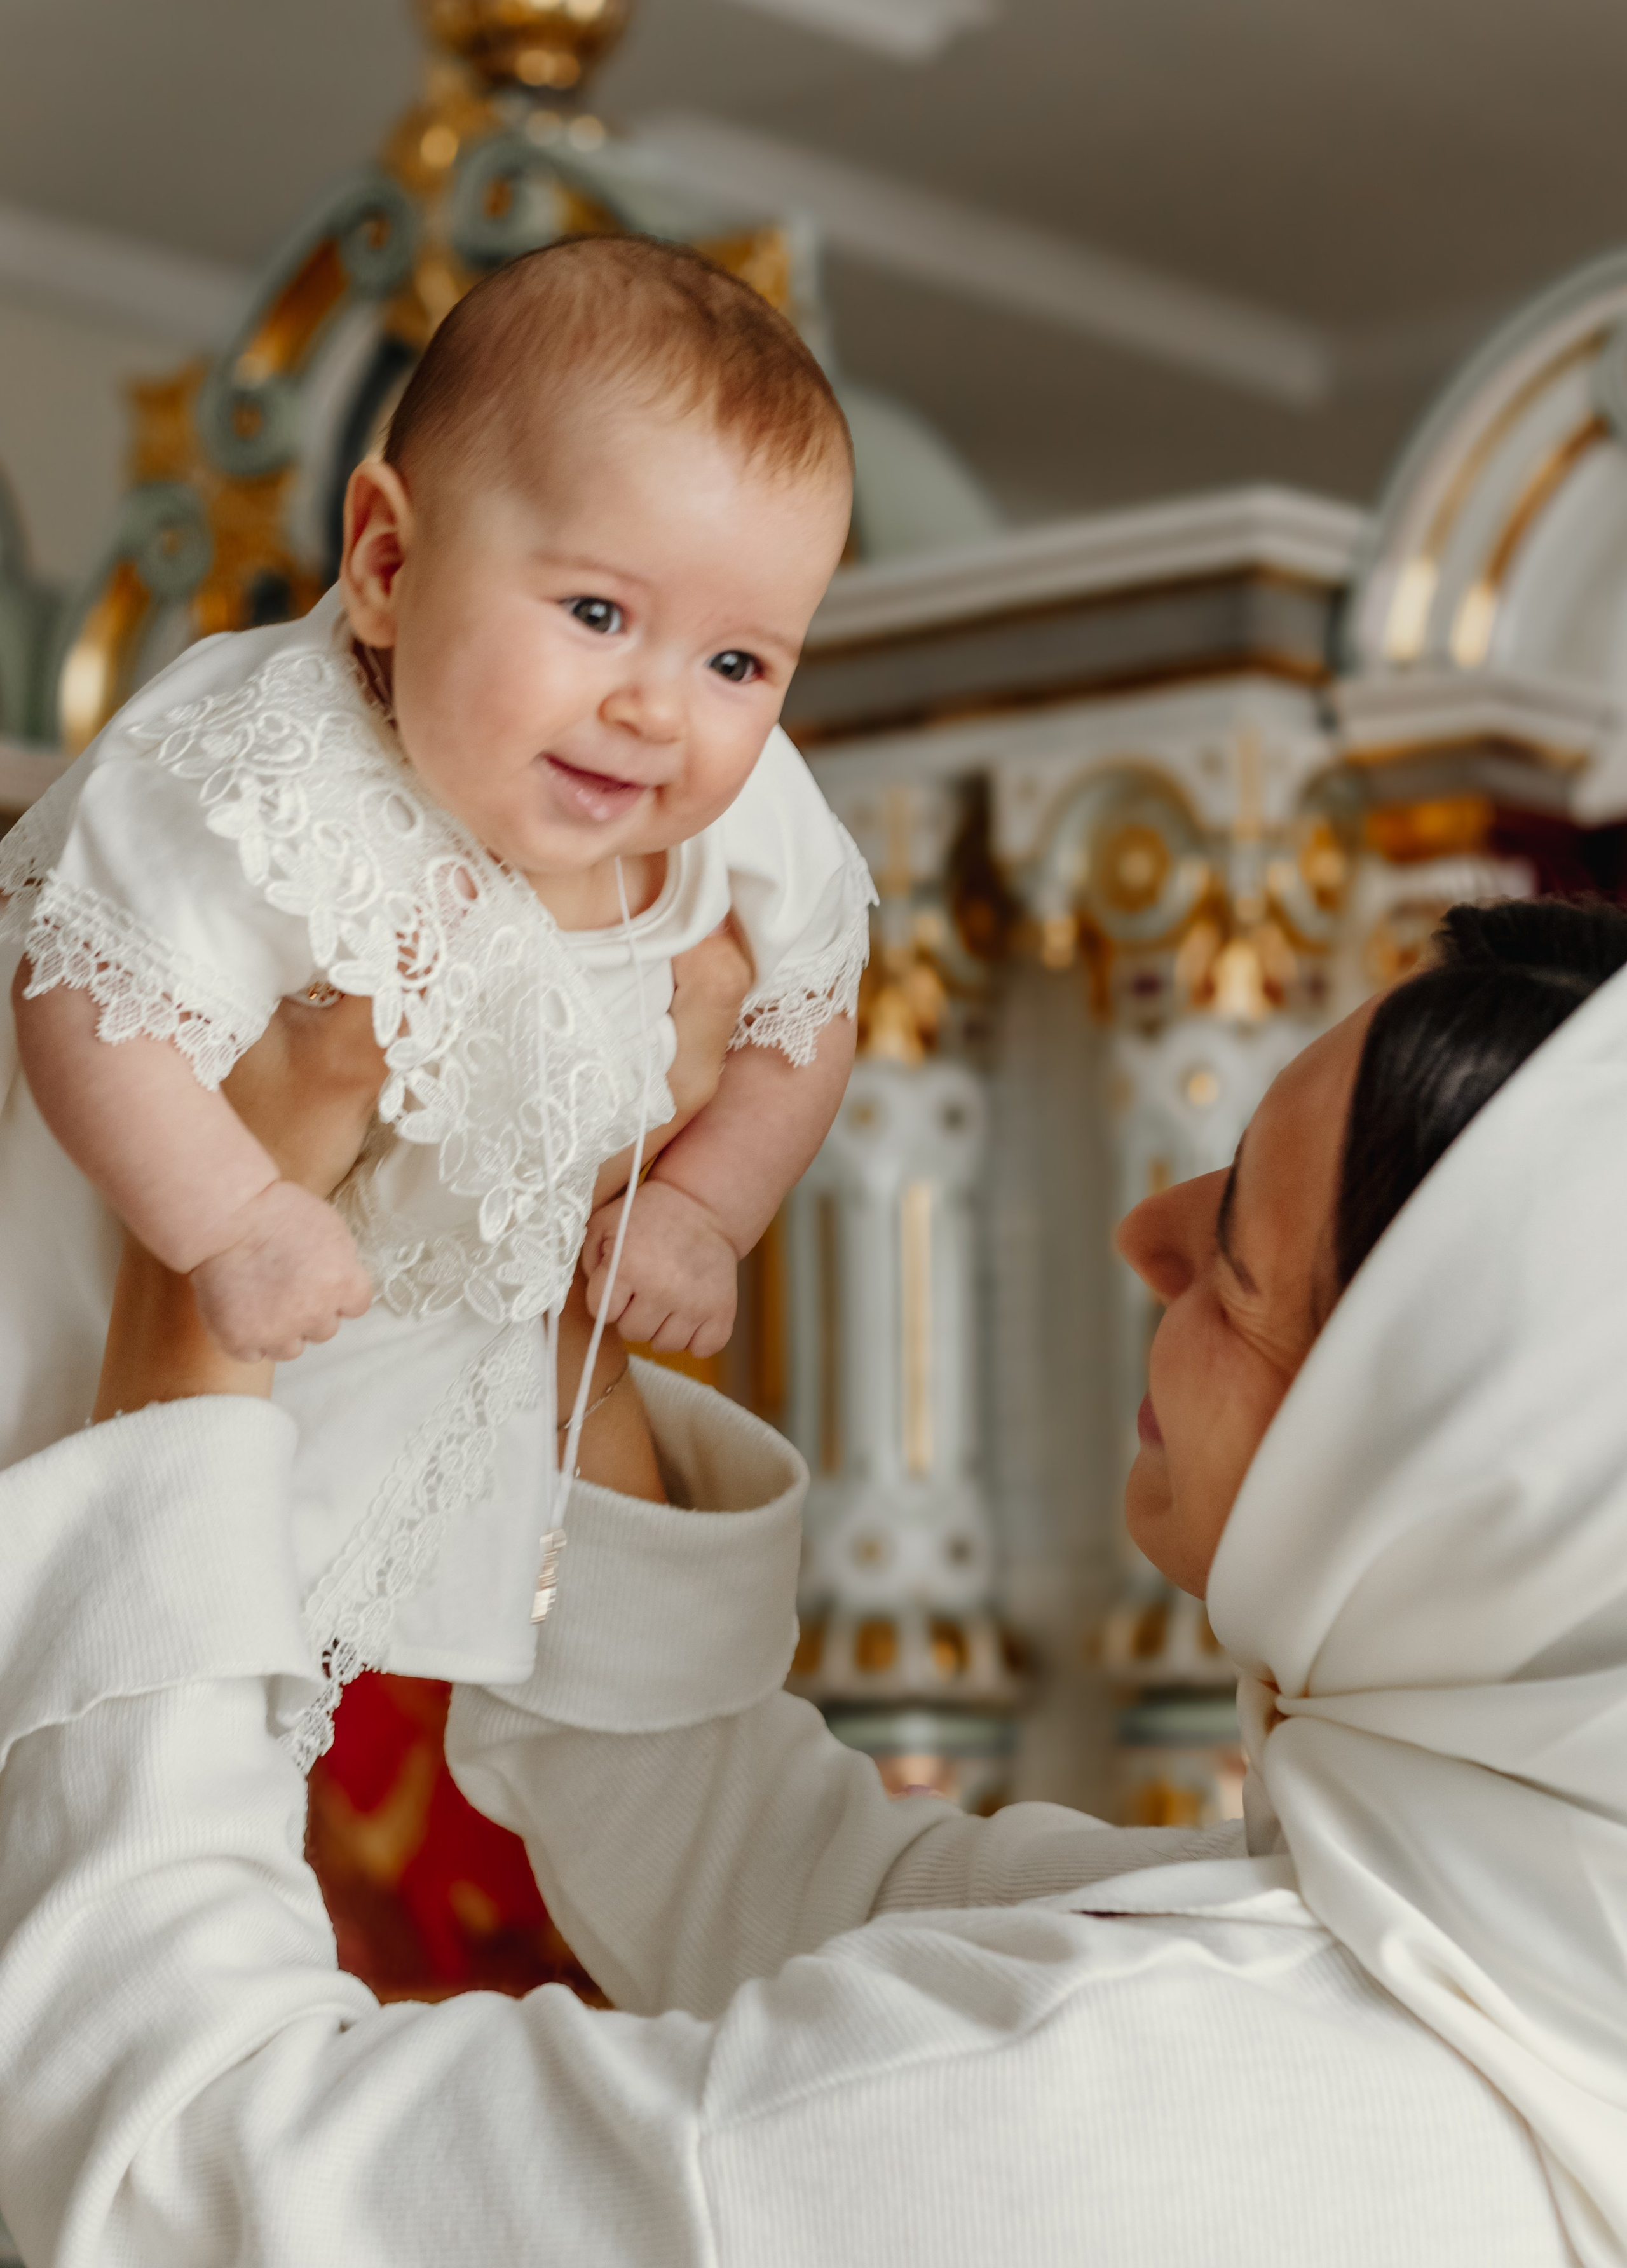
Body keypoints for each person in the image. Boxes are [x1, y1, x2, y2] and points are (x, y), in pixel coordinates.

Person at [3, 894, 1625, 2266]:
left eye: (1240, 1256)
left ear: (1429, 1479)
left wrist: (194, 1317)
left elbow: (171, 2173)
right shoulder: (1510, 1963)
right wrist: (573, 1323)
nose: (1148, 1230)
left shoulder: (1104, 2114)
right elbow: (793, 1889)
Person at [0, 235, 868, 1759]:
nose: (658, 707)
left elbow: (809, 1015)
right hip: (119, 1319)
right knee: (94, 1606)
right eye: (596, 613)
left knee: (304, 1671)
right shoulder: (261, 776)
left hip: (414, 1354)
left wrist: (703, 1208)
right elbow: (84, 1003)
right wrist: (229, 1216)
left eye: (739, 660)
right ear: (390, 566)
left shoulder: (747, 816)